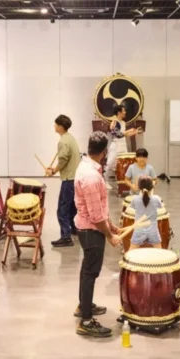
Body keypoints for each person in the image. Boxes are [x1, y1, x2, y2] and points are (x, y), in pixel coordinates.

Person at [74, 131, 122, 337]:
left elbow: (98, 207)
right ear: (103, 152)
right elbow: (95, 215)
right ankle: (86, 321)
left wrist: (111, 225)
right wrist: (110, 236)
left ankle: (83, 306)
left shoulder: (85, 166)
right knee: (90, 273)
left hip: (88, 226)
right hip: (91, 230)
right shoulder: (92, 177)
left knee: (87, 270)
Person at [46, 114, 81, 248]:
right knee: (72, 207)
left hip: (68, 179)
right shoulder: (70, 138)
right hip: (75, 178)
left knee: (62, 209)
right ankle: (74, 230)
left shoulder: (63, 141)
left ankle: (66, 237)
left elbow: (63, 160)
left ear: (60, 126)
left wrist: (53, 171)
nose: (54, 126)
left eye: (55, 124)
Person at [105, 104, 142, 179]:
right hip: (116, 146)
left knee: (121, 165)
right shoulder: (114, 122)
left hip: (122, 145)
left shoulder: (123, 123)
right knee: (110, 164)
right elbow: (118, 134)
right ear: (119, 113)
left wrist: (135, 132)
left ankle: (120, 183)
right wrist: (129, 130)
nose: (125, 112)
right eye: (124, 111)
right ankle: (105, 181)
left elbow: (124, 135)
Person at [129, 177, 163, 249]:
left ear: (138, 187)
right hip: (153, 230)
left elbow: (132, 207)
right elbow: (160, 207)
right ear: (152, 187)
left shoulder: (135, 199)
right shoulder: (156, 198)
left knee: (130, 253)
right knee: (159, 253)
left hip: (139, 230)